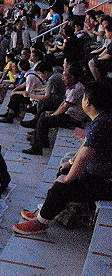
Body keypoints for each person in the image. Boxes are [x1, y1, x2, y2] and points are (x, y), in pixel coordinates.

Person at [13, 78, 112, 234]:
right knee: (66, 165)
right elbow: (86, 148)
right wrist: (71, 164)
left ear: (88, 103)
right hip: (101, 173)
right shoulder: (104, 119)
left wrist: (67, 179)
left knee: (61, 186)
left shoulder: (101, 124)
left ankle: (41, 222)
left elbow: (85, 156)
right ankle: (49, 210)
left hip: (105, 181)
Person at [22, 66, 85, 156]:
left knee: (44, 121)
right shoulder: (71, 86)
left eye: (64, 76)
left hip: (73, 119)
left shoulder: (75, 89)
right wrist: (53, 114)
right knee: (43, 114)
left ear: (72, 77)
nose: (63, 79)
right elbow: (63, 103)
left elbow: (64, 107)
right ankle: (42, 141)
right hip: (69, 114)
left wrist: (53, 115)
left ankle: (36, 148)